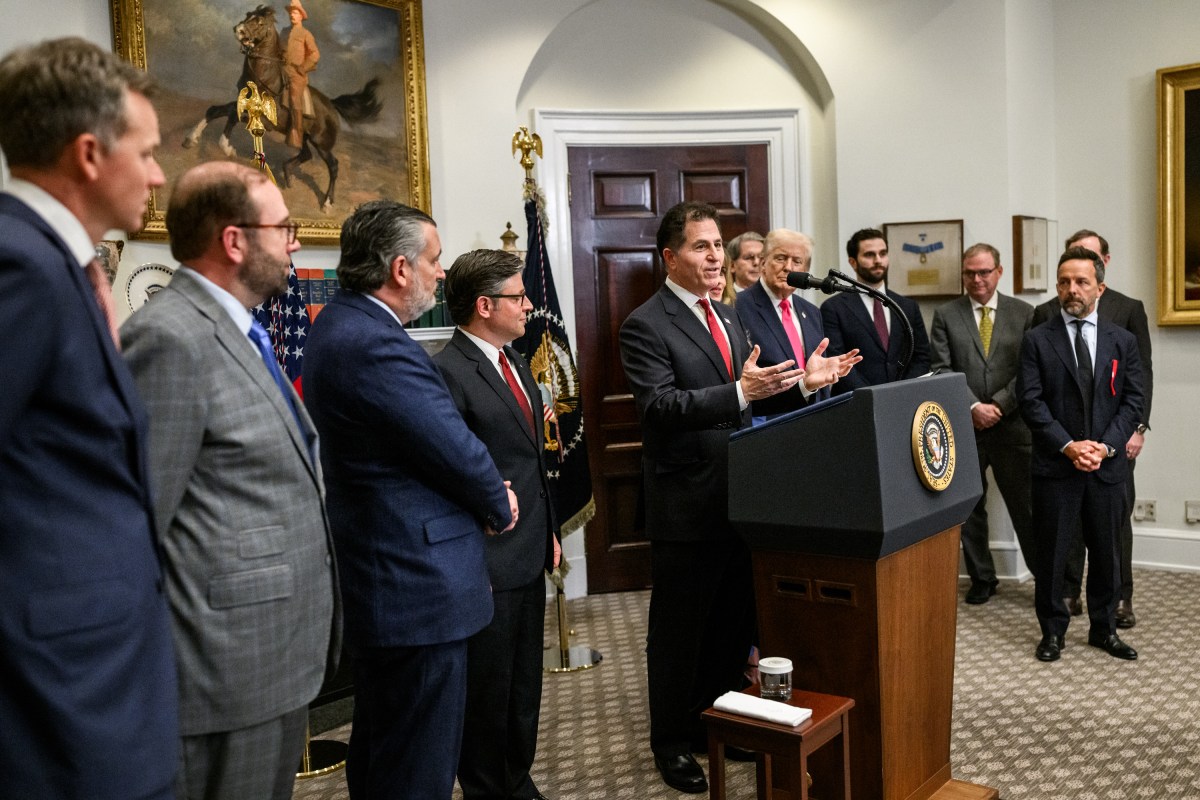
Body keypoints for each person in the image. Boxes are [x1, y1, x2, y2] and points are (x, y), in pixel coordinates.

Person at [618, 201, 858, 794]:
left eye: (717, 245)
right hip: (685, 503)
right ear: (670, 257)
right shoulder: (644, 325)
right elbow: (661, 408)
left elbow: (754, 395)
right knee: (679, 635)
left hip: (741, 499)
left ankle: (715, 723)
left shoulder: (727, 316)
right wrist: (740, 392)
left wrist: (804, 384)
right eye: (700, 246)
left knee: (730, 628)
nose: (715, 257)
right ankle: (671, 742)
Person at [119, 162, 341, 800]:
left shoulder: (243, 328)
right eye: (283, 228)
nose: (295, 243)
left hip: (275, 654)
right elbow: (139, 521)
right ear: (234, 240)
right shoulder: (169, 337)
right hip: (222, 667)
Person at [0, 37, 180, 799]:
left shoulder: (53, 261)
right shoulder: (21, 264)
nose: (159, 175)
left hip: (96, 664)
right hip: (61, 685)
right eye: (147, 152)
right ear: (88, 154)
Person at [303, 201, 519, 800]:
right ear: (400, 269)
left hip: (385, 575)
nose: (441, 273)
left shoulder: (340, 324)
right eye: (434, 260)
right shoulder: (375, 342)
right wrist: (497, 501)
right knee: (417, 766)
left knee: (385, 749)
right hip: (413, 585)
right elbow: (452, 446)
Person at [433, 249, 561, 800]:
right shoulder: (447, 371)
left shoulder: (516, 362)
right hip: (486, 561)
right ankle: (489, 788)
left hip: (529, 550)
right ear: (485, 306)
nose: (529, 306)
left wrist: (550, 530)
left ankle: (516, 778)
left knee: (523, 687)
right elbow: (450, 472)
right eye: (519, 296)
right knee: (488, 692)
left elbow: (530, 462)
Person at [1018, 246, 1144, 663]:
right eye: (1064, 282)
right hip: (1056, 465)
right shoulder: (1037, 339)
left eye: (1081, 281)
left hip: (1107, 467)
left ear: (1100, 288)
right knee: (1053, 555)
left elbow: (1133, 401)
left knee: (1108, 553)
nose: (1071, 289)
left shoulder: (1122, 340)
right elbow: (1031, 401)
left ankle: (1104, 630)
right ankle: (1052, 632)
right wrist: (1069, 446)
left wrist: (1104, 447)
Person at [930, 243, 1036, 604]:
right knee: (969, 507)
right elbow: (941, 368)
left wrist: (999, 406)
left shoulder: (1025, 313)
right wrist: (973, 406)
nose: (976, 279)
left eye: (984, 272)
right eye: (969, 273)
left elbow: (1030, 370)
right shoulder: (946, 314)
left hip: (1013, 427)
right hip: (965, 427)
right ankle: (982, 578)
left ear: (999, 272)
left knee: (1027, 508)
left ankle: (1046, 579)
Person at [738, 229, 843, 419]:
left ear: (805, 270)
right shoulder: (738, 306)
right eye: (780, 258)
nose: (788, 267)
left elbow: (819, 376)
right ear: (763, 262)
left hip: (813, 419)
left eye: (797, 261)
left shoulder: (811, 312)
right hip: (768, 422)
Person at [821, 227, 931, 394]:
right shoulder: (833, 308)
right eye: (869, 255)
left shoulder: (908, 306)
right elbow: (836, 360)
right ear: (853, 262)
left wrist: (903, 391)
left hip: (904, 398)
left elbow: (922, 357)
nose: (878, 260)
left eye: (883, 253)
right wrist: (872, 396)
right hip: (856, 401)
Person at [283, 0, 320, 150]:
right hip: (282, 69)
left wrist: (303, 68)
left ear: (301, 16)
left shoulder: (305, 34)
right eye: (291, 12)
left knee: (294, 98)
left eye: (295, 12)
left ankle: (296, 135)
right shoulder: (284, 31)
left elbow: (315, 54)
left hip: (297, 74)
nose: (292, 14)